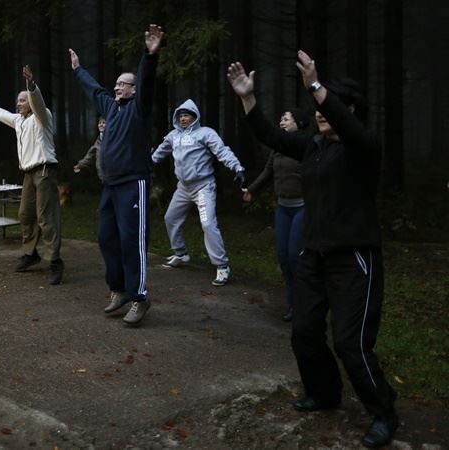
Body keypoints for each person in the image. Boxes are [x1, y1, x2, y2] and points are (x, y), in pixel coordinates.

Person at [227, 51, 398, 448]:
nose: (320, 113)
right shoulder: (314, 147)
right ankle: (324, 393)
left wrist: (318, 86)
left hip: (354, 258)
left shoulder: (363, 146)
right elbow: (271, 135)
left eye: (330, 106)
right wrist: (247, 98)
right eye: (318, 106)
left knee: (350, 343)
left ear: (349, 110)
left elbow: (347, 125)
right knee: (304, 331)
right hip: (315, 255)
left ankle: (384, 410)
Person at [69, 23, 164, 326]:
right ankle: (118, 290)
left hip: (132, 184)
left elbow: (147, 82)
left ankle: (139, 297)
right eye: (117, 84)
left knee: (130, 240)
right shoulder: (110, 109)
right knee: (105, 236)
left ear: (134, 90)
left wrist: (149, 55)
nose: (117, 87)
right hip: (109, 186)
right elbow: (95, 90)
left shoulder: (139, 109)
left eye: (123, 84)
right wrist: (78, 69)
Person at [0, 65, 64, 285]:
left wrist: (31, 87)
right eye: (18, 101)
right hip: (29, 175)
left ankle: (55, 261)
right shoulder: (19, 121)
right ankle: (31, 254)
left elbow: (38, 102)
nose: (18, 103)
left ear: (30, 102)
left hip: (45, 171)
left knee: (46, 217)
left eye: (22, 100)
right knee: (25, 214)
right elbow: (1, 114)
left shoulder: (42, 116)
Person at [151, 99, 246, 287]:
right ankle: (180, 253)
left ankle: (222, 265)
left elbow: (221, 150)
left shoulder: (205, 133)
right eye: (180, 115)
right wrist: (144, 164)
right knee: (170, 218)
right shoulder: (173, 136)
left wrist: (237, 167)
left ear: (195, 117)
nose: (183, 118)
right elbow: (158, 154)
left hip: (203, 186)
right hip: (183, 188)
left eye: (187, 115)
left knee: (208, 223)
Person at [242, 109, 309, 320]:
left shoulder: (307, 145)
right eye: (280, 118)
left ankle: (303, 305)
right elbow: (267, 172)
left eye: (286, 119)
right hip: (283, 207)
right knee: (283, 257)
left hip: (303, 207)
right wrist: (251, 190)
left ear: (299, 123)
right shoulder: (278, 148)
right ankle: (292, 304)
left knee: (294, 257)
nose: (281, 121)